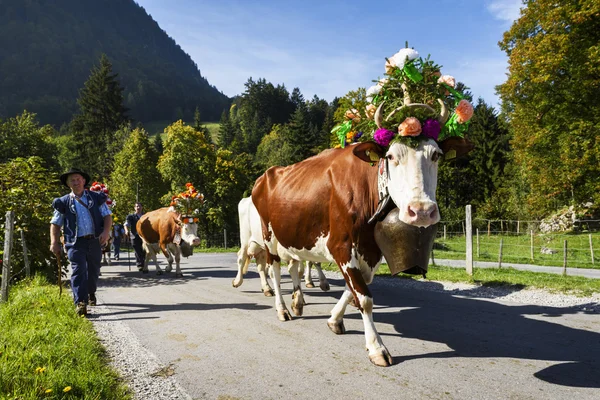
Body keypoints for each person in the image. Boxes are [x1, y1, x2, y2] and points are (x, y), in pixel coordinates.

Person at [50, 168, 112, 316]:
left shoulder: (96, 198)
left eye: (78, 179)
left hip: (94, 241)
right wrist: (54, 242)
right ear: (68, 183)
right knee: (78, 270)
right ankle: (80, 302)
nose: (76, 182)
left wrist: (105, 232)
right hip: (74, 242)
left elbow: (107, 215)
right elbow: (55, 223)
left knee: (93, 271)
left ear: (84, 181)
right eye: (72, 180)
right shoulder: (63, 202)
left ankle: (91, 292)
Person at [124, 202, 146, 271]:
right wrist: (126, 231)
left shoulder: (145, 216)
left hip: (144, 236)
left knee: (144, 250)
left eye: (139, 206)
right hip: (134, 235)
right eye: (136, 206)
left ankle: (143, 263)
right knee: (137, 250)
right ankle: (140, 265)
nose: (138, 208)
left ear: (142, 207)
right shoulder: (131, 216)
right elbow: (126, 224)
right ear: (134, 208)